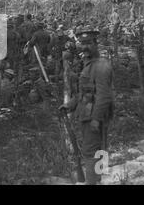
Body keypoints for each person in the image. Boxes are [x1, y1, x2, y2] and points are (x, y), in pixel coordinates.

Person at [59, 27, 114, 185]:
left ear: (96, 43)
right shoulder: (89, 64)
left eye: (88, 43)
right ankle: (98, 179)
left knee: (91, 151)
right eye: (82, 43)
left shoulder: (101, 66)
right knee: (99, 149)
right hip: (88, 113)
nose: (84, 47)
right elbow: (85, 92)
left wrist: (96, 119)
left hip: (94, 116)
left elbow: (104, 96)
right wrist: (69, 105)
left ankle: (93, 181)